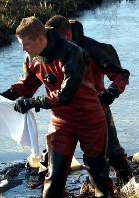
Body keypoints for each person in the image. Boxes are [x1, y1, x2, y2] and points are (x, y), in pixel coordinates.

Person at [0, 16, 113, 198]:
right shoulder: (32, 57)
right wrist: (4, 96)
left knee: (97, 171)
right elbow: (27, 84)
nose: (23, 49)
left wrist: (32, 102)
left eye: (26, 44)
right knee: (54, 175)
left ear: (40, 39)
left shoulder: (73, 53)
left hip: (90, 120)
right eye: (21, 45)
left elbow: (66, 95)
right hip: (61, 122)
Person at [45, 15, 133, 186]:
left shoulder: (93, 49)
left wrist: (111, 93)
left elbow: (121, 75)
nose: (51, 44)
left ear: (67, 36)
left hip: (96, 110)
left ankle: (127, 186)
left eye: (54, 39)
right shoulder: (49, 51)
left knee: (112, 152)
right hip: (64, 114)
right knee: (54, 156)